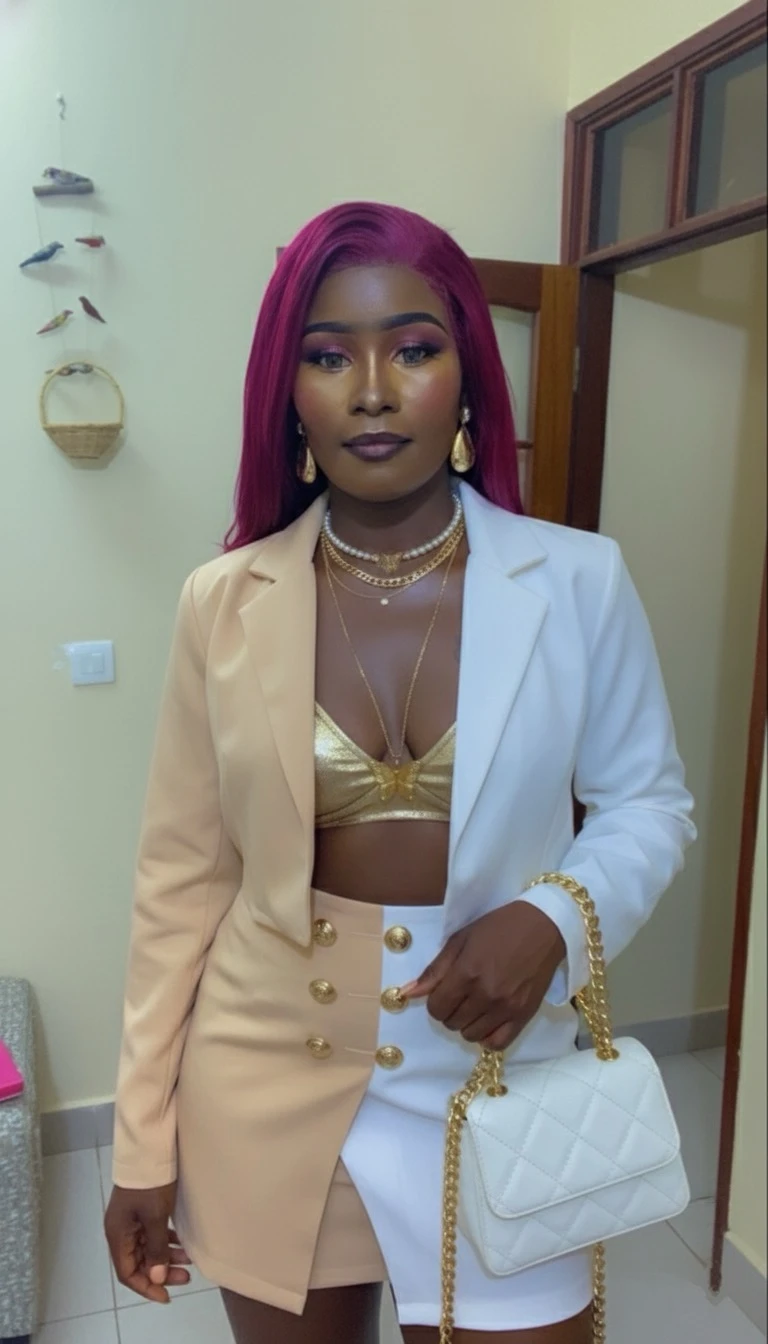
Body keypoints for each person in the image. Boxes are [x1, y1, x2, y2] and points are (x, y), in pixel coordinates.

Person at [104, 202, 696, 1344]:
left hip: (499, 1075)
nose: (372, 391)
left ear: (467, 380)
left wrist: (552, 920)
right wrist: (140, 1144)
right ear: (288, 393)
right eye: (328, 357)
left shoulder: (579, 582)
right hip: (266, 1080)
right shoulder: (222, 603)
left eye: (414, 349)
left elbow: (649, 803)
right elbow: (179, 882)